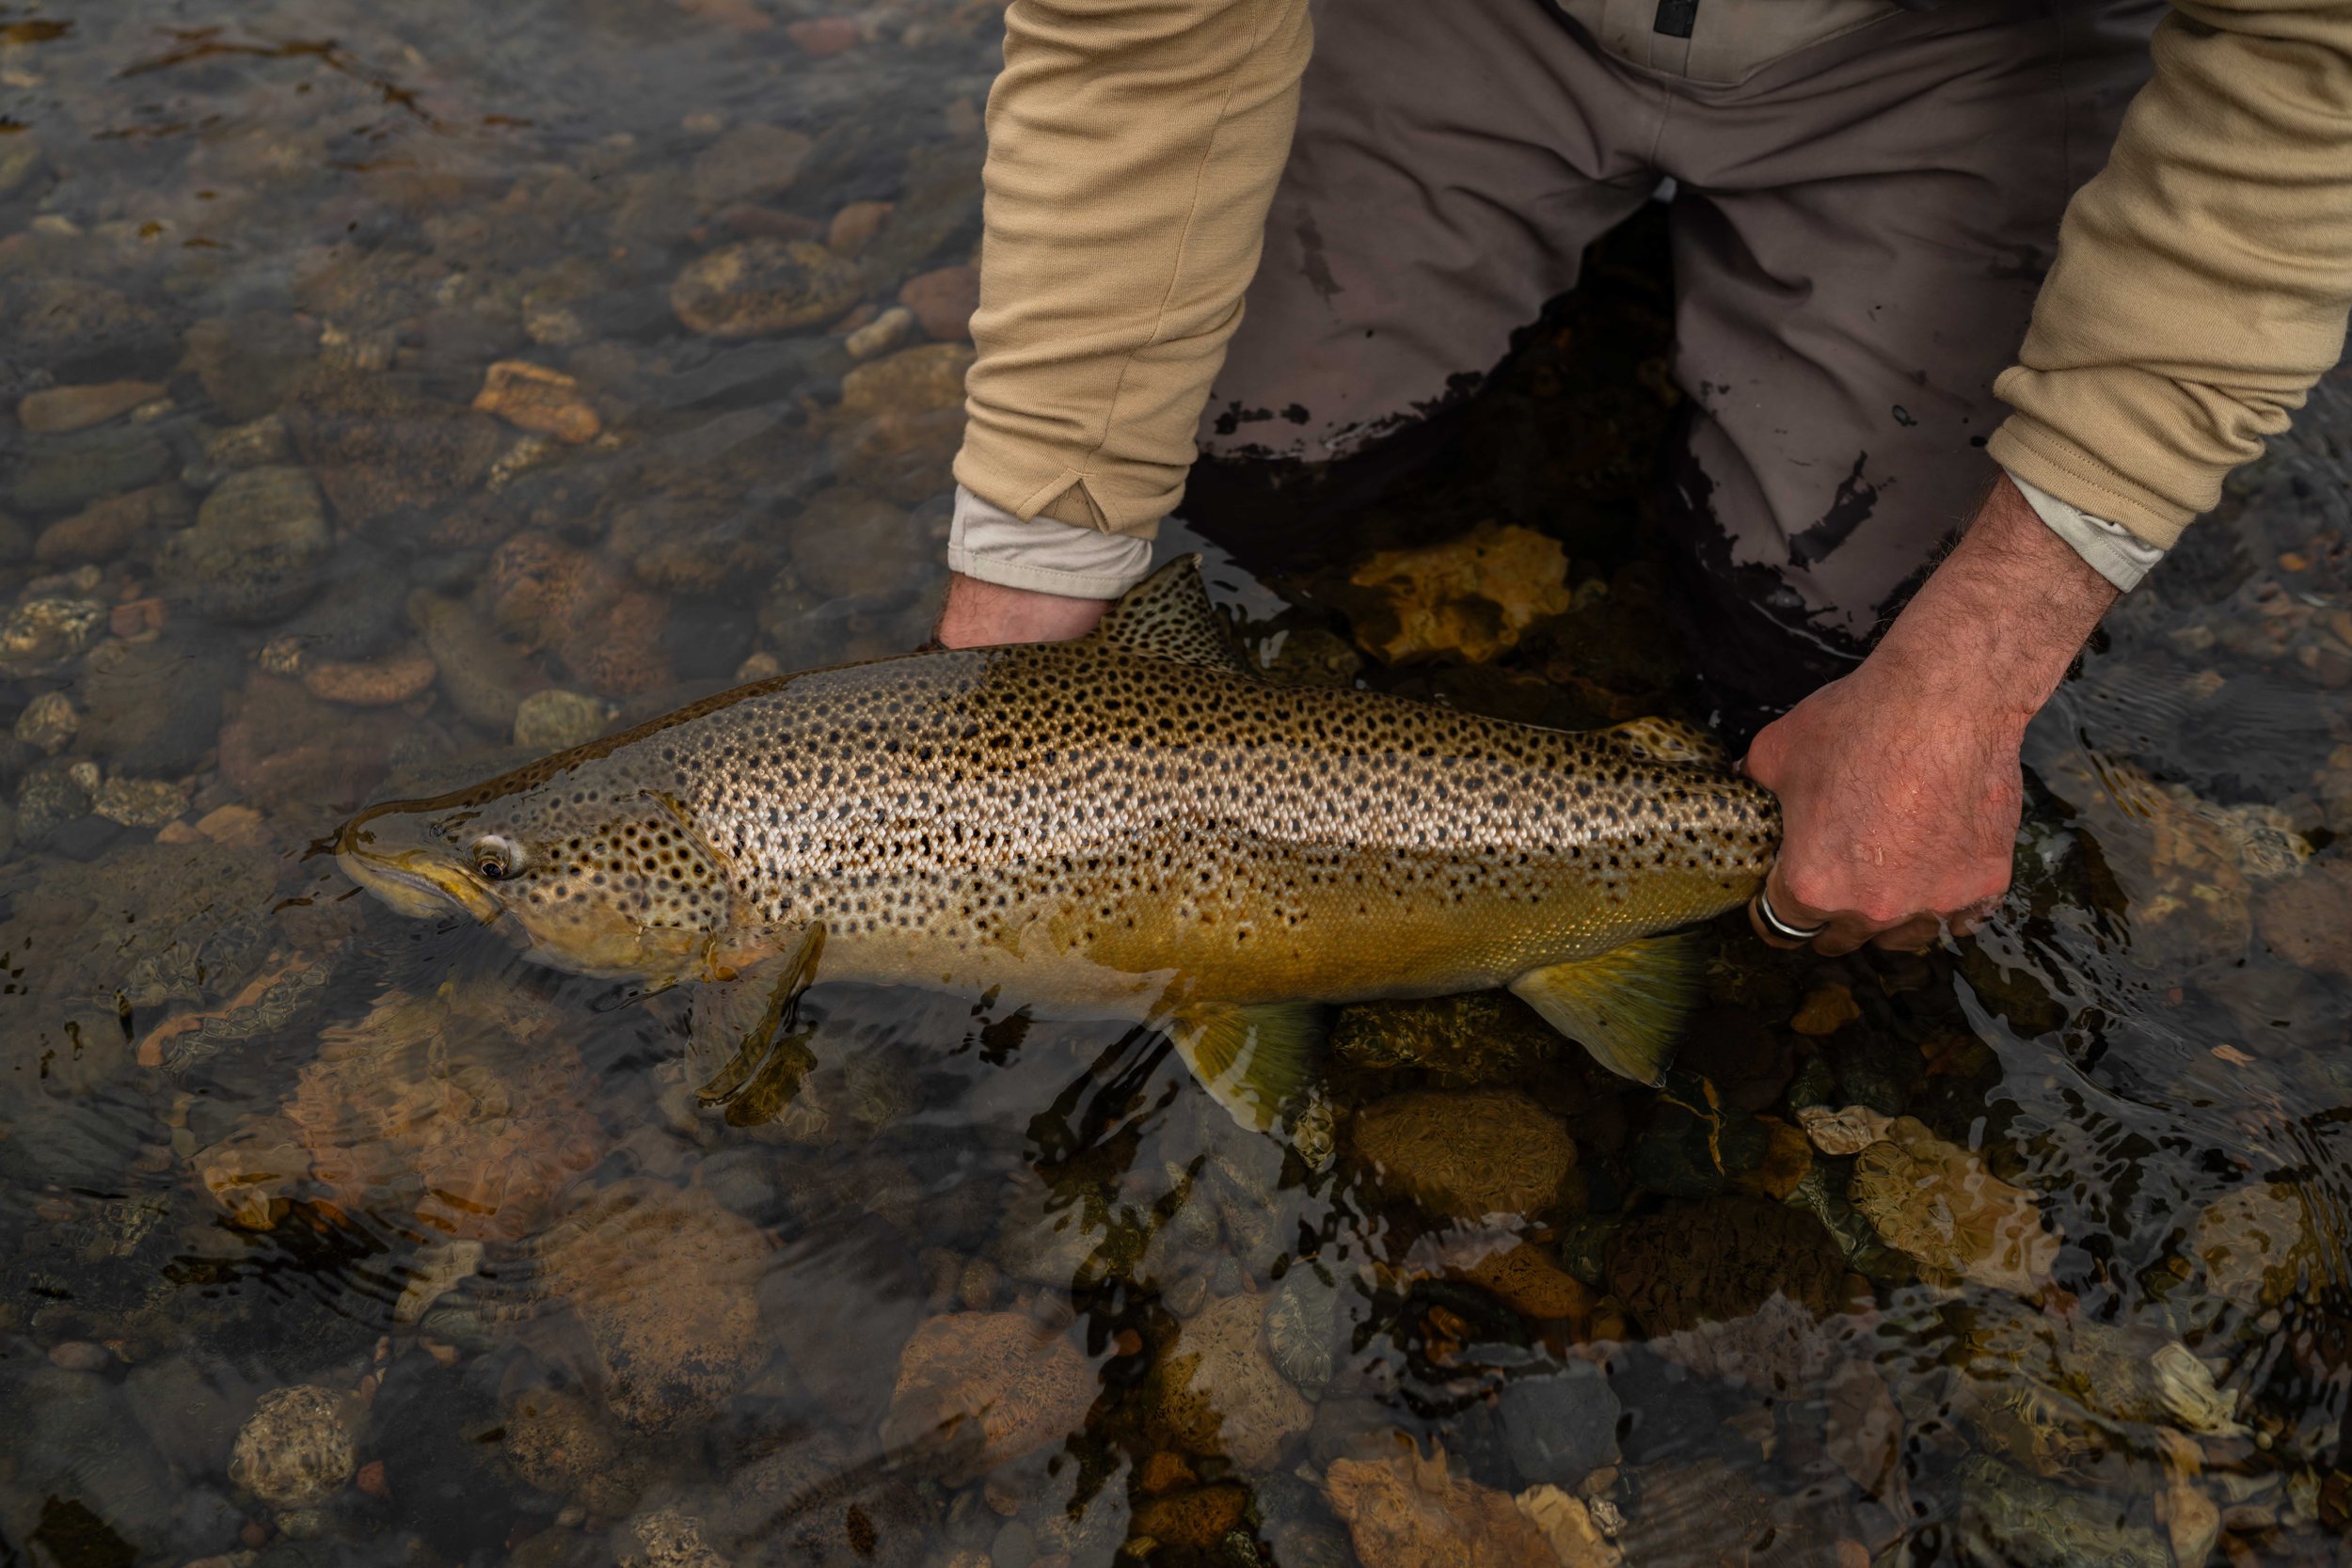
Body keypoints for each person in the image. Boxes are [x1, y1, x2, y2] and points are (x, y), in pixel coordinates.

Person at [928, 0, 2352, 957]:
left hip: (1963, 37)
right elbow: (1138, 42)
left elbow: (2305, 76)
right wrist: (1029, 582)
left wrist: (1974, 678)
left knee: (1832, 669)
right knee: (1231, 458)